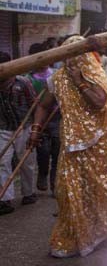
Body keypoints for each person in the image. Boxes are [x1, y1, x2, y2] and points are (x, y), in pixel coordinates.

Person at [29, 35, 107, 258]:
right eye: (67, 56)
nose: (70, 61)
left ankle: (96, 232)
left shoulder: (94, 73)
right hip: (70, 143)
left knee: (96, 191)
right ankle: (71, 236)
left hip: (98, 144)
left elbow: (100, 102)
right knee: (66, 192)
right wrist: (36, 127)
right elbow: (43, 104)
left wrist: (80, 81)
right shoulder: (58, 78)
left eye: (75, 55)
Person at [0, 52, 38, 214]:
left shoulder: (23, 82)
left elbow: (35, 105)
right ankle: (5, 199)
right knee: (2, 161)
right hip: (3, 128)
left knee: (26, 162)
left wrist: (36, 128)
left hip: (25, 126)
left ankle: (28, 193)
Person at [27, 43, 61, 195]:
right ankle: (43, 173)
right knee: (43, 151)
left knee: (57, 152)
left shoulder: (56, 74)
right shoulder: (27, 79)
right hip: (39, 119)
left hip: (57, 118)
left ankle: (55, 185)